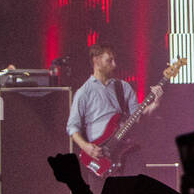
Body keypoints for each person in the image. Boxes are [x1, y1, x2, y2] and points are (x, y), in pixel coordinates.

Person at [67, 43, 164, 172]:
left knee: (139, 177)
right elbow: (72, 127)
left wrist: (155, 104)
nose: (114, 65)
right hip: (99, 154)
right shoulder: (84, 92)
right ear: (96, 60)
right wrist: (86, 147)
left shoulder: (123, 87)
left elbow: (137, 116)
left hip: (124, 147)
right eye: (109, 60)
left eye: (114, 60)